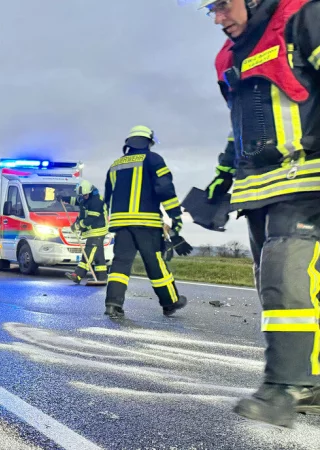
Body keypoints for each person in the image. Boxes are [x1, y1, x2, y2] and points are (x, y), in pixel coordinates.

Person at [198, 0, 320, 427]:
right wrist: (221, 181)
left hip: (307, 179)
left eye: (223, 5)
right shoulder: (230, 57)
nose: (218, 18)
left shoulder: (304, 18)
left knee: (286, 276)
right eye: (210, 9)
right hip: (258, 190)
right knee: (280, 287)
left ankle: (285, 386)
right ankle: (311, 380)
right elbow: (241, 127)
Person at [103, 125, 188, 319]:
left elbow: (108, 197)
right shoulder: (153, 160)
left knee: (120, 264)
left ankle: (113, 304)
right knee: (155, 262)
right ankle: (170, 302)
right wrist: (175, 216)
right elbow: (165, 189)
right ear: (148, 142)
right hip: (146, 222)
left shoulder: (115, 165)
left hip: (121, 224)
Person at [61, 180, 109, 285]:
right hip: (93, 231)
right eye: (82, 195)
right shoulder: (85, 197)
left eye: (85, 195)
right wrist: (64, 199)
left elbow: (91, 219)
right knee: (98, 255)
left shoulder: (97, 201)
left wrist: (78, 225)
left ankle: (78, 275)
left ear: (90, 192)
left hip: (97, 231)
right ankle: (102, 277)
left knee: (88, 253)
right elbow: (78, 201)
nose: (84, 197)